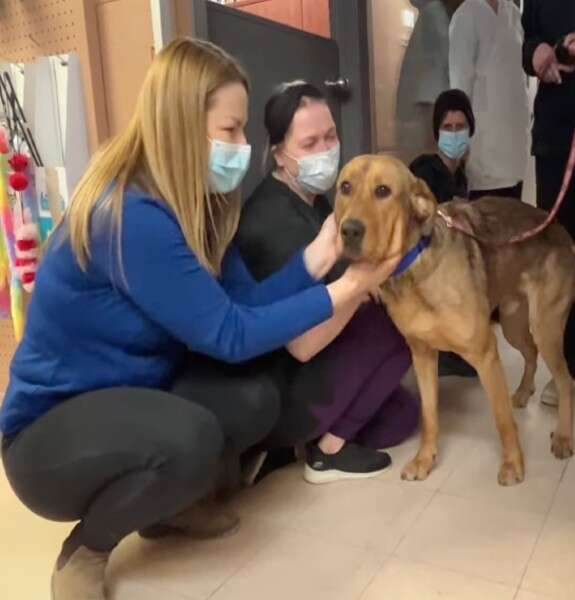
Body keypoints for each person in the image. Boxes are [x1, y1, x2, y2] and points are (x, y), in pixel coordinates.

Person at [0, 39, 399, 600]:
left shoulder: (202, 208)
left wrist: (322, 255)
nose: (242, 146)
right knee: (192, 436)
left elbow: (245, 306)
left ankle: (166, 508)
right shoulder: (131, 216)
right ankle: (85, 550)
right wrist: (352, 287)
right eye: (230, 130)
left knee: (254, 398)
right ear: (181, 127)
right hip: (49, 435)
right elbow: (230, 336)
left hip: (136, 397)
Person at [236, 81, 420, 485]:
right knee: (405, 320)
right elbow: (302, 345)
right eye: (310, 142)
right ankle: (325, 452)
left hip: (325, 357)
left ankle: (307, 440)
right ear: (280, 154)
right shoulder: (270, 222)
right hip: (287, 379)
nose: (326, 150)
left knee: (402, 418)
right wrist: (361, 287)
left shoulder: (316, 200)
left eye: (331, 136)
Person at [523, 0, 575, 407]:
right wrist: (536, 54)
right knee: (560, 253)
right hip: (553, 138)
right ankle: (567, 365)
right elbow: (528, 40)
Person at [409, 88, 479, 377]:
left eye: (460, 127)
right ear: (437, 133)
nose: (454, 133)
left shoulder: (460, 176)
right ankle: (443, 349)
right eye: (447, 128)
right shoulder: (425, 169)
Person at [449, 0, 529, 200]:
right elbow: (459, 83)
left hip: (515, 142)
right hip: (483, 147)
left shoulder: (513, 13)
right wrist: (458, 141)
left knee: (514, 217)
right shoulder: (466, 14)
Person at [394, 0, 460, 157]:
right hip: (431, 100)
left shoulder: (438, 14)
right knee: (434, 154)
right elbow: (442, 62)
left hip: (431, 96)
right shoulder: (434, 14)